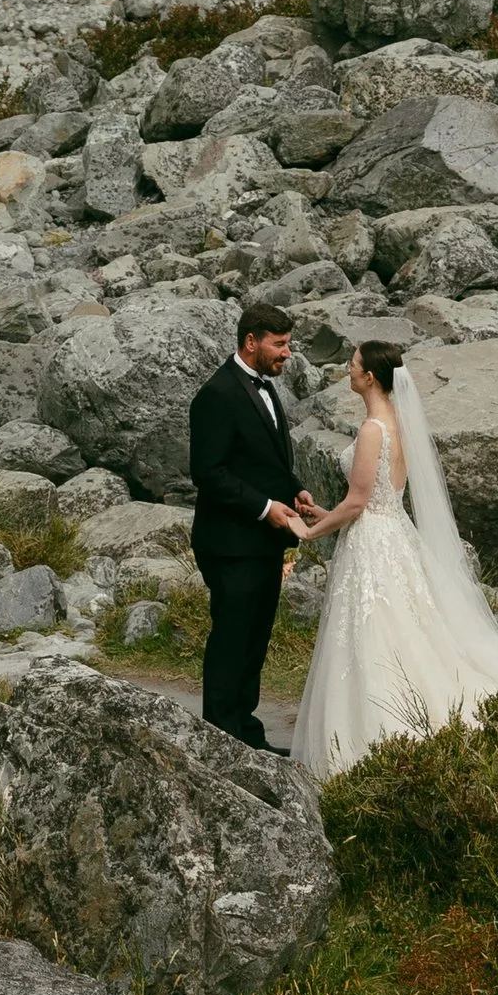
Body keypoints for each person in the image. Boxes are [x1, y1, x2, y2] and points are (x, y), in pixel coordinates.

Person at [288, 335, 498, 786]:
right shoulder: (398, 423)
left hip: (372, 540)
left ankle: (367, 742)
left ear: (369, 376)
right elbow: (377, 500)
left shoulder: (373, 429)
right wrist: (326, 513)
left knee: (372, 635)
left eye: (352, 365)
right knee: (402, 628)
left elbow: (358, 503)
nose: (347, 371)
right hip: (391, 531)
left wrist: (310, 530)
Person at [187, 298, 313, 745]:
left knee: (255, 641)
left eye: (288, 344)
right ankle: (221, 740)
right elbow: (208, 472)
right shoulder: (216, 395)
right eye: (279, 344)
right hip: (229, 543)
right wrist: (265, 507)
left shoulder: (263, 384)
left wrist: (293, 488)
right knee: (231, 642)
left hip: (261, 542)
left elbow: (262, 457)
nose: (286, 353)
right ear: (251, 341)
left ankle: (248, 734)